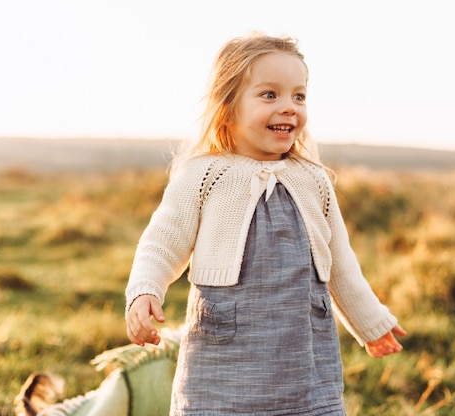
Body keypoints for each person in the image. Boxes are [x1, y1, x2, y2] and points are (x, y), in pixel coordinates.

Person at [125, 33, 406, 415]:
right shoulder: (205, 174)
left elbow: (340, 261)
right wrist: (145, 290)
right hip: (224, 358)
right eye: (270, 95)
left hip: (304, 359)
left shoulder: (313, 179)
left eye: (299, 96)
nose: (289, 107)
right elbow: (163, 241)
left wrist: (371, 322)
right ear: (228, 106)